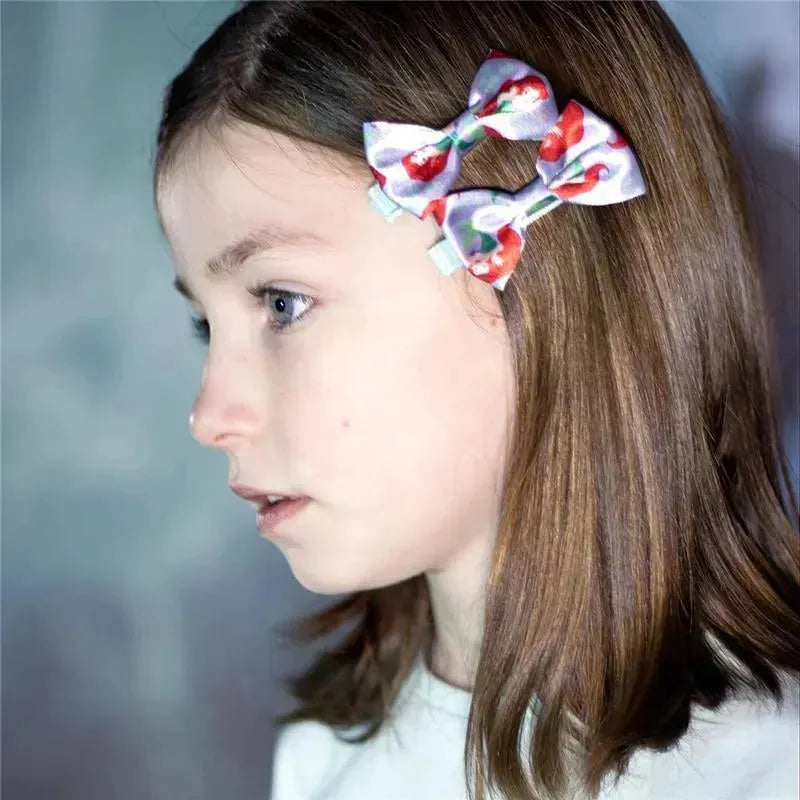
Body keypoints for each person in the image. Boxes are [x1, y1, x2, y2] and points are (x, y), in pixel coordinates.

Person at [151, 2, 800, 798]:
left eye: (282, 303)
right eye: (205, 325)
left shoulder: (770, 772)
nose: (209, 417)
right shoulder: (321, 761)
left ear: (528, 255)